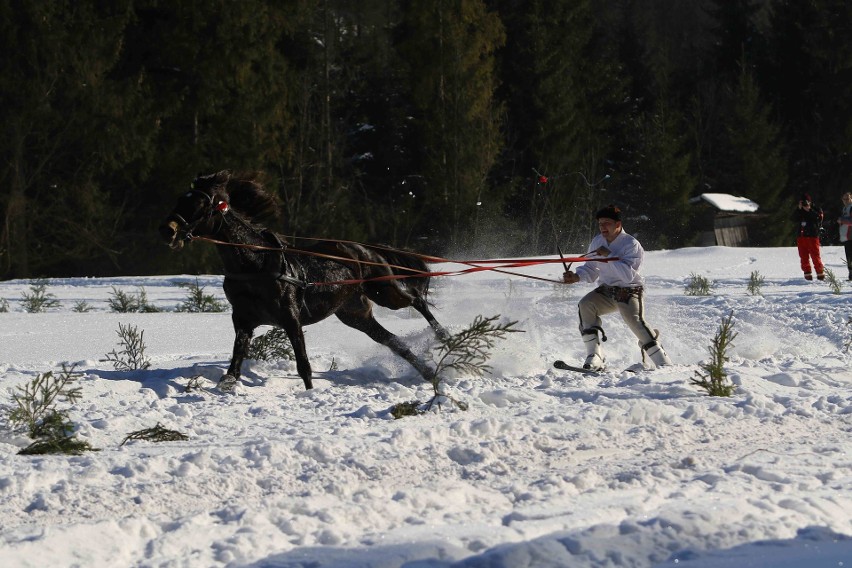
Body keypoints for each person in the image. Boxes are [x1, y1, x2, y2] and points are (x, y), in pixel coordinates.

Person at [562, 205, 672, 371]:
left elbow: (627, 275)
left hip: (629, 291)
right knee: (585, 305)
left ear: (618, 225)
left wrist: (609, 256)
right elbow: (591, 269)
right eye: (600, 224)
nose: (603, 227)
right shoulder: (597, 241)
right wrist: (576, 276)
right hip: (606, 290)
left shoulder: (631, 244)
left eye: (607, 223)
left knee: (636, 322)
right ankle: (595, 355)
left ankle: (662, 360)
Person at [792, 193, 824, 281]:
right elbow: (793, 219)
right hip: (801, 237)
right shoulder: (799, 210)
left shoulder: (816, 209)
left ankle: (820, 274)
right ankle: (807, 275)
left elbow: (819, 218)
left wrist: (809, 210)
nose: (804, 204)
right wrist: (799, 209)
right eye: (802, 202)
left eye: (806, 202)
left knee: (815, 256)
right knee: (803, 256)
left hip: (812, 236)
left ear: (810, 201)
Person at [838, 192, 852, 281]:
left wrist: (842, 220)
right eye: (844, 199)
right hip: (847, 237)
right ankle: (851, 275)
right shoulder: (845, 208)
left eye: (847, 199)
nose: (845, 201)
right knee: (849, 257)